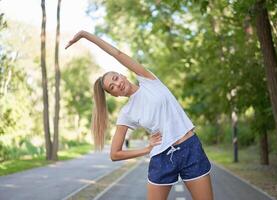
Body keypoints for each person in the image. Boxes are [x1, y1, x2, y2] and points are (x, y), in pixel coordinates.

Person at [65, 30, 214, 200]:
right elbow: (115, 154)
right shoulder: (126, 113)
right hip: (162, 157)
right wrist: (146, 149)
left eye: (115, 78)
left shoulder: (148, 79)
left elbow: (117, 53)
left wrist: (85, 35)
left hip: (190, 148)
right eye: (111, 87)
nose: (117, 84)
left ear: (122, 75)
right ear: (114, 95)